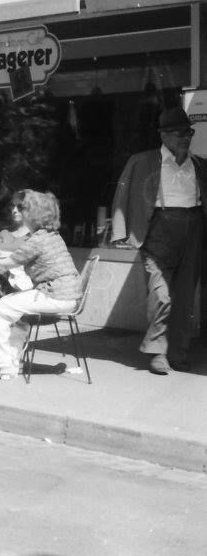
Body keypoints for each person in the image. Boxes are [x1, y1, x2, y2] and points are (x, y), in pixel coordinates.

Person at [111, 108, 205, 375]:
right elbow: (123, 196)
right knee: (160, 295)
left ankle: (178, 352)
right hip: (158, 231)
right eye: (178, 133)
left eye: (188, 132)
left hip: (193, 228)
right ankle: (157, 351)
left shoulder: (199, 165)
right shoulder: (142, 162)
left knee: (185, 297)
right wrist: (123, 232)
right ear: (163, 136)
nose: (184, 138)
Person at [0, 191, 81, 380]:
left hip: (55, 296)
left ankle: (3, 364)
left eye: (23, 208)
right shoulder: (50, 236)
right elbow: (17, 258)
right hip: (66, 295)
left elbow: (5, 264)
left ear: (33, 213)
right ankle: (5, 361)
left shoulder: (37, 239)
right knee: (5, 306)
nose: (18, 211)